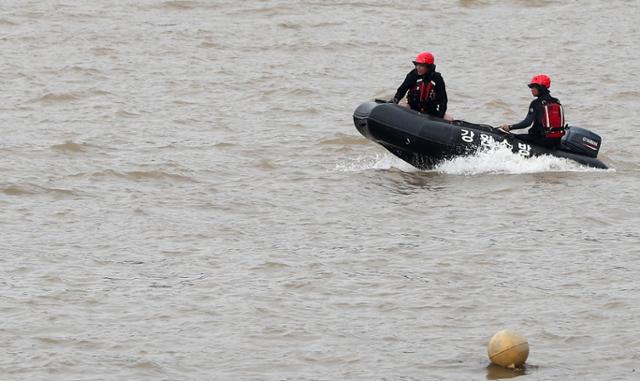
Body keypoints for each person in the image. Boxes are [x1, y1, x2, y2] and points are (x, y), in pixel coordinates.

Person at [499, 74, 566, 148]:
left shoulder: (536, 103)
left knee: (509, 137)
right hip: (556, 141)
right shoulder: (557, 101)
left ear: (540, 88)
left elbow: (527, 123)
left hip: (540, 140)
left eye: (533, 87)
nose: (531, 89)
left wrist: (509, 127)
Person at [390, 51, 448, 118]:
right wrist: (395, 100)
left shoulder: (437, 78)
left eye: (421, 65)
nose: (418, 68)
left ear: (429, 67)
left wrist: (440, 115)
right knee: (402, 106)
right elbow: (402, 90)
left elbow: (443, 99)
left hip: (431, 111)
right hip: (412, 108)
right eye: (417, 65)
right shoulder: (412, 75)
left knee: (449, 118)